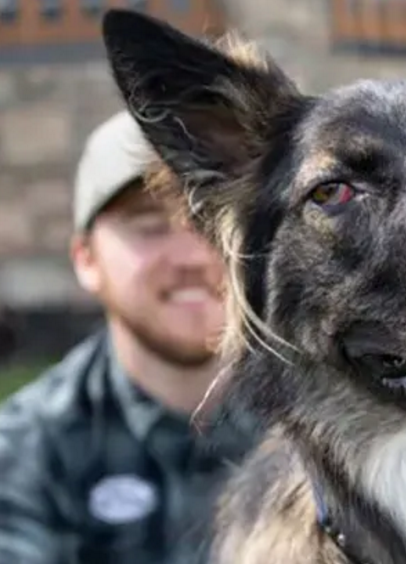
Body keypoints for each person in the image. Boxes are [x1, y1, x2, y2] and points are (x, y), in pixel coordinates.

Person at [0, 111, 258, 564]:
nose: (191, 256)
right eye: (149, 225)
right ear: (86, 260)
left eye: (208, 218)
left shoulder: (329, 420)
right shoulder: (27, 451)